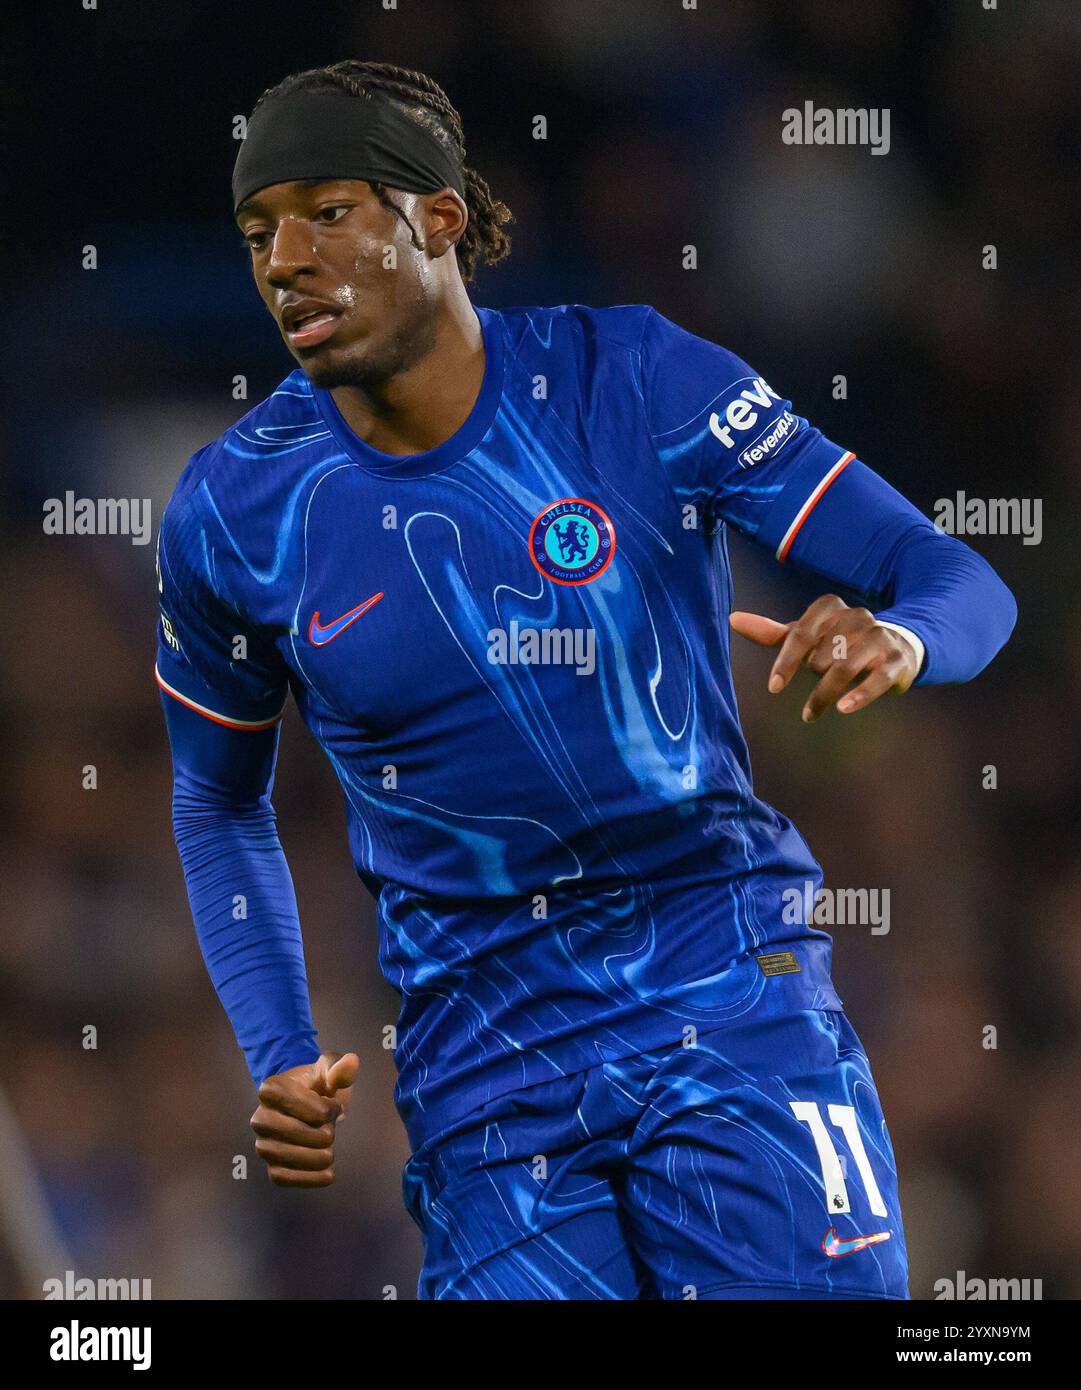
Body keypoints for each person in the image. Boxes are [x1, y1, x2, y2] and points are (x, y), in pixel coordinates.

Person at [156, 59, 1016, 1299]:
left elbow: (947, 573)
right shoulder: (234, 513)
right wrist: (279, 1046)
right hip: (486, 1072)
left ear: (436, 218)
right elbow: (218, 800)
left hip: (729, 989)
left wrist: (901, 638)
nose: (283, 257)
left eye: (327, 211)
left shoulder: (635, 380)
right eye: (256, 229)